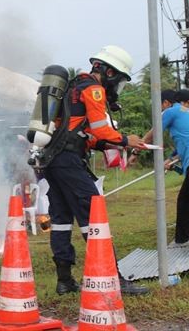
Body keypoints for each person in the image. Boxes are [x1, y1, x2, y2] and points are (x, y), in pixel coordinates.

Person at [43, 45, 148, 296]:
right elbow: (101, 127)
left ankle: (65, 280)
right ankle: (113, 279)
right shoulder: (93, 89)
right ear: (109, 72)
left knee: (61, 220)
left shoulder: (72, 89)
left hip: (53, 160)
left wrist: (101, 144)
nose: (117, 88)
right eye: (119, 81)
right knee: (94, 216)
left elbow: (80, 133)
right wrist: (124, 139)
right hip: (67, 161)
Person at [130, 89, 189, 248]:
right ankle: (182, 240)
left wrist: (135, 151)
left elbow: (153, 133)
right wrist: (170, 159)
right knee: (185, 200)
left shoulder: (172, 111)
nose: (160, 111)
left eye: (160, 107)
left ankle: (182, 240)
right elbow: (188, 143)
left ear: (166, 103)